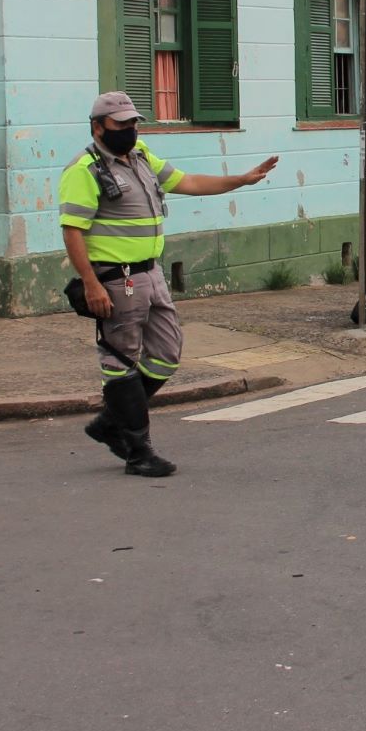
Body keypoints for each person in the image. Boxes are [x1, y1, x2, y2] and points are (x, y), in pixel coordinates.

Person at [59, 90, 279, 477]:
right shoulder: (84, 170)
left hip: (151, 272)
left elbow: (188, 181)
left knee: (166, 353)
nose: (130, 129)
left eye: (133, 122)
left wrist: (241, 181)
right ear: (98, 127)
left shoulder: (141, 156)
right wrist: (91, 284)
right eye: (120, 124)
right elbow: (72, 231)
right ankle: (137, 450)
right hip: (117, 278)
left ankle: (111, 422)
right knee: (122, 360)